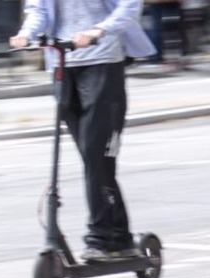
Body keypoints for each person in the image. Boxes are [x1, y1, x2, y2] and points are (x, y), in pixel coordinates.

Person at [10, 0, 156, 262]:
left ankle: (100, 238)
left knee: (96, 154)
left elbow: (130, 6)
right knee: (94, 160)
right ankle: (120, 237)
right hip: (62, 65)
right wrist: (26, 34)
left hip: (102, 63)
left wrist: (99, 30)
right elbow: (38, 10)